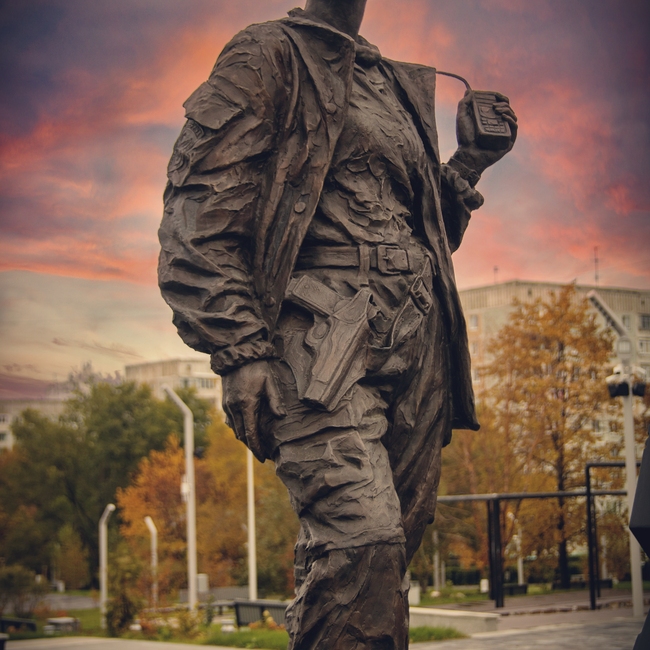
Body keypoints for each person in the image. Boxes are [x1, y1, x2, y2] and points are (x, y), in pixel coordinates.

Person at [158, 1, 517, 647]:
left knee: (383, 558)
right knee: (364, 542)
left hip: (417, 347)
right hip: (318, 348)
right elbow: (198, 212)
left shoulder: (387, 79)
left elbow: (421, 230)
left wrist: (468, 164)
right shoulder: (270, 53)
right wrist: (240, 349)